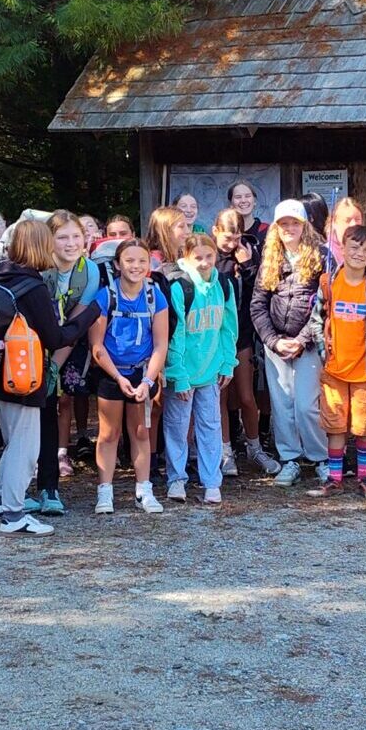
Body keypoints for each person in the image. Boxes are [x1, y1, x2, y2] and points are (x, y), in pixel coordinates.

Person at [0, 216, 71, 535]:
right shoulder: (33, 286)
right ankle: (14, 515)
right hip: (22, 375)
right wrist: (91, 315)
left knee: (12, 442)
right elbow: (56, 338)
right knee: (25, 447)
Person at [309, 222, 366, 500]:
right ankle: (334, 479)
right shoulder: (329, 282)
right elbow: (315, 321)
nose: (359, 253)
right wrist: (325, 351)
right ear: (343, 247)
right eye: (354, 247)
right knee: (335, 425)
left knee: (364, 427)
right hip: (334, 370)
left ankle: (365, 478)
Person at [89, 235, 169, 515]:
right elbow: (97, 346)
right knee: (109, 433)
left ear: (149, 265)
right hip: (111, 373)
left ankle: (143, 490)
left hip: (141, 373)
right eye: (129, 261)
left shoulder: (154, 295)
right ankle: (105, 492)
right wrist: (117, 377)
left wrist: (148, 380)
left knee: (140, 431)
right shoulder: (105, 296)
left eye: (142, 261)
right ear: (117, 264)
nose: (136, 266)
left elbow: (161, 343)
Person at [251, 201, 328, 488]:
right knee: (282, 404)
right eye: (284, 224)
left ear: (305, 225)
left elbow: (323, 304)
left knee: (307, 405)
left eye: (295, 223)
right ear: (276, 228)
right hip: (276, 345)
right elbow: (258, 304)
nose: (290, 229)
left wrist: (302, 339)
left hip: (307, 343)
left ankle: (320, 457)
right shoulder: (270, 257)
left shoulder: (320, 255)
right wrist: (273, 341)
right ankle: (290, 458)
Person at [161, 232, 237, 505]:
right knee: (177, 426)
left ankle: (211, 481)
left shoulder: (225, 284)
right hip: (183, 371)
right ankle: (176, 479)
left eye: (209, 257)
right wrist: (178, 376)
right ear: (186, 258)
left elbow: (229, 328)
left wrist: (228, 363)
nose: (204, 263)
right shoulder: (180, 286)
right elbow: (175, 333)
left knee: (210, 426)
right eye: (198, 258)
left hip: (211, 371)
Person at [42, 212, 104, 505]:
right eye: (62, 237)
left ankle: (59, 453)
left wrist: (54, 363)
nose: (70, 243)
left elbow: (76, 323)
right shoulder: (38, 268)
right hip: (33, 340)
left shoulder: (90, 271)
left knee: (65, 396)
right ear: (49, 240)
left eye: (75, 236)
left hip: (69, 340)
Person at [210, 209, 276, 475]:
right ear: (215, 231)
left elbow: (259, 292)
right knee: (221, 398)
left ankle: (255, 447)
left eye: (236, 237)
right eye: (227, 237)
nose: (232, 243)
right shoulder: (209, 258)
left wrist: (248, 265)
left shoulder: (247, 254)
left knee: (248, 397)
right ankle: (225, 451)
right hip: (214, 337)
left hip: (243, 335)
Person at [226, 181, 268, 264]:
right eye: (238, 197)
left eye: (248, 196)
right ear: (231, 203)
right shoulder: (225, 234)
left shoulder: (267, 232)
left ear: (254, 201)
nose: (243, 200)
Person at [147, 204, 190, 274]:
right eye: (181, 226)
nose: (188, 231)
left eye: (187, 226)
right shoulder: (153, 262)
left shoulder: (184, 257)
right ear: (165, 231)